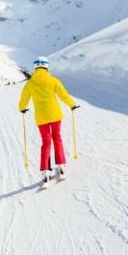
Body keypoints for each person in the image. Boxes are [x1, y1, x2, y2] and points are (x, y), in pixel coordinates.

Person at [18, 56, 79, 186]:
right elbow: (63, 95)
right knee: (57, 138)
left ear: (35, 68)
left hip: (41, 118)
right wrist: (72, 104)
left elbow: (23, 99)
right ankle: (61, 166)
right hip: (55, 115)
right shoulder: (53, 80)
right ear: (46, 67)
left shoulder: (29, 84)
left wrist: (22, 109)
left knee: (46, 142)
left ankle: (45, 171)